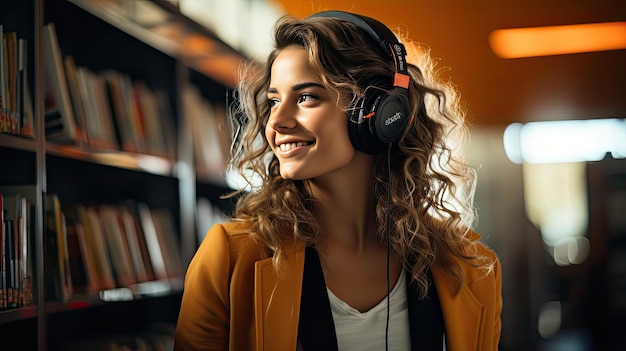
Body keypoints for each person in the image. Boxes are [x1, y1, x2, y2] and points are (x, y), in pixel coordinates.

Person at [174, 10, 502, 351]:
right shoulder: (229, 256)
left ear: (379, 114)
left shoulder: (473, 268)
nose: (277, 122)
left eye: (306, 97)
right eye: (273, 101)